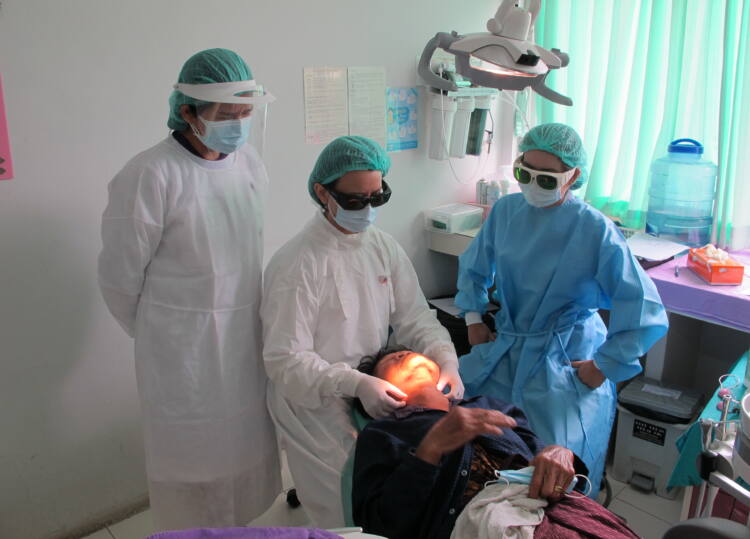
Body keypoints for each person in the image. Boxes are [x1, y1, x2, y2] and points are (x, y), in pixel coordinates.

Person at [98, 48, 280, 530]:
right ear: (188, 112)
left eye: (245, 113)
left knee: (244, 447)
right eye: (227, 114)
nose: (238, 125)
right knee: (192, 460)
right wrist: (163, 330)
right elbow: (119, 278)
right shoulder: (150, 174)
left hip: (243, 335)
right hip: (179, 350)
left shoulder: (248, 164)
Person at [455, 123, 669, 496]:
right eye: (524, 173)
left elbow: (644, 308)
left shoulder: (594, 229)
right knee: (478, 442)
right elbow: (474, 267)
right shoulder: (506, 211)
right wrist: (473, 318)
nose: (532, 185)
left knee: (555, 466)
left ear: (573, 176)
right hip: (508, 347)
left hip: (566, 360)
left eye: (547, 179)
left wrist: (604, 365)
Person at [261, 135, 464, 528]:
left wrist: (447, 360)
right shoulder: (297, 265)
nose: (368, 209)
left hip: (373, 386)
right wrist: (354, 383)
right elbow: (286, 360)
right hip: (314, 401)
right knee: (346, 505)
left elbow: (415, 317)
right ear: (323, 193)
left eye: (378, 196)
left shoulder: (382, 247)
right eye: (356, 201)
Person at [352, 347, 640, 539]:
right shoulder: (382, 433)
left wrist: (559, 453)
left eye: (409, 352)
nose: (403, 354)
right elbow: (380, 526)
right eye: (392, 361)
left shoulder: (489, 405)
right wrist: (430, 449)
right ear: (379, 391)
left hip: (549, 509)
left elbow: (539, 454)